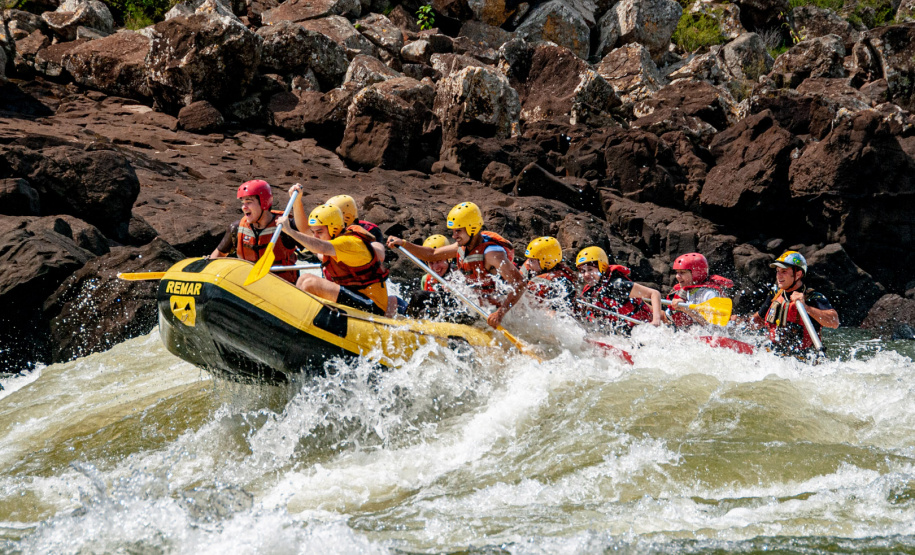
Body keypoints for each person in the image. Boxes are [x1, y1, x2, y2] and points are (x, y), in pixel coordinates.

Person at [387, 202, 526, 329]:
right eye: (453, 231)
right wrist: (404, 243)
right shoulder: (462, 246)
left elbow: (520, 283)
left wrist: (499, 314)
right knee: (419, 296)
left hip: (487, 310)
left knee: (442, 315)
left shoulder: (492, 254)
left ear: (472, 228)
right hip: (469, 302)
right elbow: (432, 254)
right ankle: (406, 328)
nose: (454, 236)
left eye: (458, 231)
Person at [278, 185, 390, 315]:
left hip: (371, 304)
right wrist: (297, 201)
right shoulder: (332, 241)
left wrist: (290, 232)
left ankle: (297, 316)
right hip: (354, 295)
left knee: (310, 282)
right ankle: (294, 313)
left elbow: (319, 246)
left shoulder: (348, 241)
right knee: (303, 279)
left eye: (319, 232)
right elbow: (308, 235)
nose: (315, 236)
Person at [209, 179, 299, 284]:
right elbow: (216, 258)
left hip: (282, 286)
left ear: (264, 202)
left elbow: (315, 246)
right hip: (250, 286)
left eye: (249, 202)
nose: (244, 207)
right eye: (242, 202)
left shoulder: (286, 226)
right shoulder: (237, 228)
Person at [750, 251, 839, 356]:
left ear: (798, 274)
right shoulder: (775, 294)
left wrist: (806, 308)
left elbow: (834, 322)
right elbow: (757, 320)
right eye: (778, 271)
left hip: (804, 358)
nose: (779, 276)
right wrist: (737, 323)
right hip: (774, 355)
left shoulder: (813, 297)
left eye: (784, 271)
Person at [574, 246, 662, 329]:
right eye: (583, 271)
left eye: (590, 269)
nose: (586, 275)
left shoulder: (618, 285)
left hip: (647, 324)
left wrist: (656, 321)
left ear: (602, 267)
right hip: (625, 330)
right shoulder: (589, 291)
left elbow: (654, 293)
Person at [665, 253, 733, 327]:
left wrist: (686, 309)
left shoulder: (709, 294)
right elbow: (668, 318)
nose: (677, 276)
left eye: (682, 272)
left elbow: (714, 327)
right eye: (677, 272)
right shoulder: (680, 292)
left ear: (696, 273)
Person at [521, 236, 576, 307]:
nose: (528, 263)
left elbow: (554, 314)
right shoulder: (530, 270)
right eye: (528, 259)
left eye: (531, 260)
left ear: (546, 262)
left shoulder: (563, 283)